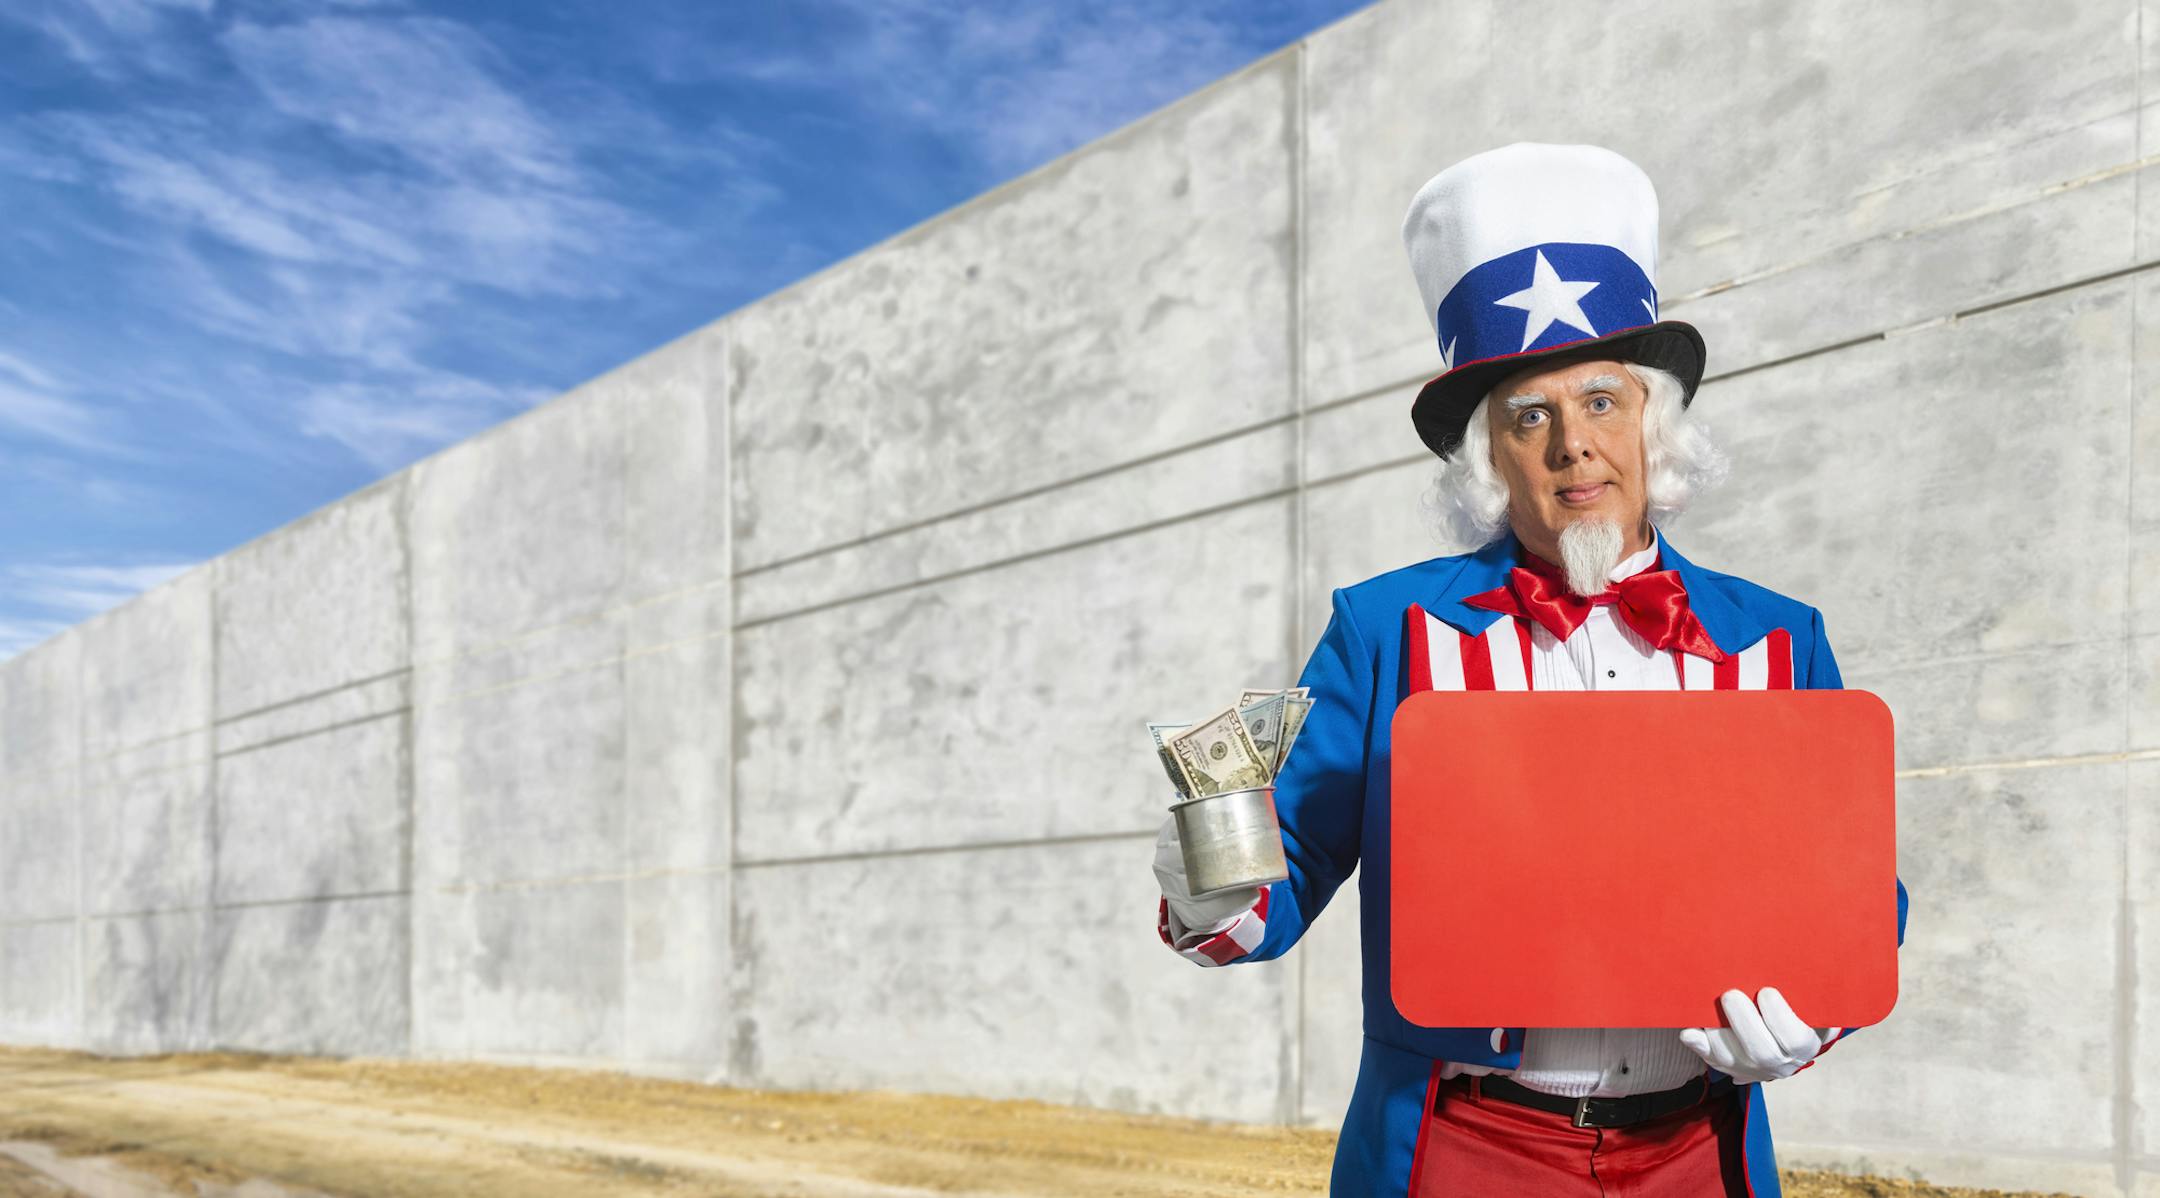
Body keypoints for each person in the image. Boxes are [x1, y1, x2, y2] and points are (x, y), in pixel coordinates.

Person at [1151, 143, 1910, 1197]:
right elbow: (1272, 896)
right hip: (1461, 1151)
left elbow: (1853, 889)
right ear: (1487, 459)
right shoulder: (1386, 630)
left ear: (1656, 424)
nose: (1572, 446)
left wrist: (1814, 1012)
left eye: (1602, 401)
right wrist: (1207, 866)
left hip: (1700, 1152)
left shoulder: (1780, 640)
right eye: (1529, 416)